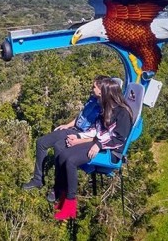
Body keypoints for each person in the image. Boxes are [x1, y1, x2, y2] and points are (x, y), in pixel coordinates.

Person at [52, 78, 133, 220]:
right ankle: (61, 195)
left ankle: (70, 206)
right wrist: (79, 138)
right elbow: (97, 130)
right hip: (99, 142)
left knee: (70, 161)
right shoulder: (106, 109)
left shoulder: (123, 113)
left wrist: (99, 145)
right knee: (63, 154)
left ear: (105, 92)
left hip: (111, 150)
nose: (93, 90)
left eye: (95, 88)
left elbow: (119, 139)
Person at [21, 75, 109, 190]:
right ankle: (38, 179)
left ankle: (58, 187)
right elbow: (81, 117)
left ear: (101, 90)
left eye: (94, 87)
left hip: (83, 135)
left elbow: (101, 134)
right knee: (41, 143)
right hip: (74, 129)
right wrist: (68, 125)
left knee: (59, 147)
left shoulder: (105, 109)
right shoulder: (92, 99)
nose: (92, 89)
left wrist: (79, 140)